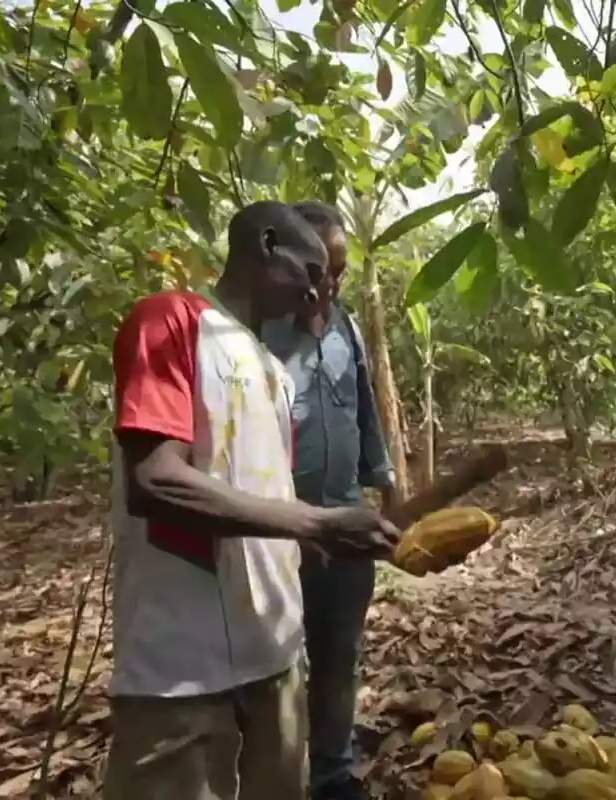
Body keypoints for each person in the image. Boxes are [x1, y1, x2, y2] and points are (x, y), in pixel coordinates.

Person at [103, 200, 401, 800]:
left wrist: (309, 542)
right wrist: (313, 523)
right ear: (267, 244)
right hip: (181, 669)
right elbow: (155, 481)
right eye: (311, 272)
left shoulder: (271, 369)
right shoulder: (171, 320)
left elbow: (263, 494)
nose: (319, 294)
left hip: (275, 660)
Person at [261, 201, 396, 800]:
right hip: (275, 531)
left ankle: (335, 775)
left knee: (339, 657)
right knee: (277, 668)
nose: (330, 284)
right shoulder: (258, 329)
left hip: (344, 521)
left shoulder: (345, 327)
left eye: (339, 271)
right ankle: (279, 777)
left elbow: (363, 410)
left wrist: (387, 484)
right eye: (321, 270)